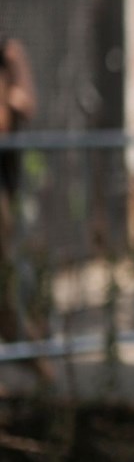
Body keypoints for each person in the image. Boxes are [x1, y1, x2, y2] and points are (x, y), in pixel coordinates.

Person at [0, 37, 37, 345]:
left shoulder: (7, 53)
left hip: (7, 184)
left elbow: (25, 104)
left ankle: (32, 350)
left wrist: (16, 60)